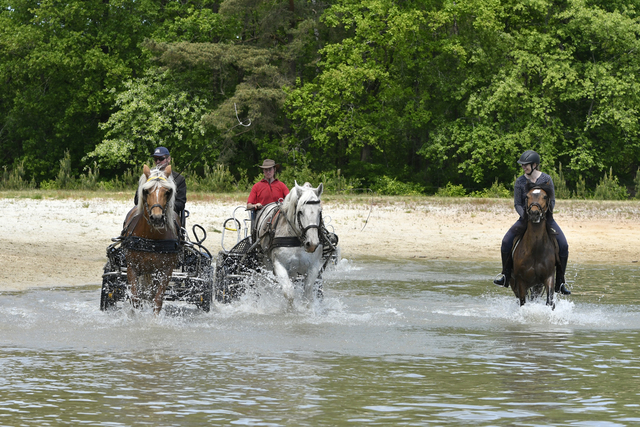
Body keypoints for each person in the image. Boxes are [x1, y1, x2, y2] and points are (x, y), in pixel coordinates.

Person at [493, 150, 571, 295]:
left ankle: (560, 282)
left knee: (564, 245)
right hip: (525, 219)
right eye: (522, 165)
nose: (523, 168)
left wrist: (544, 214)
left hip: (546, 219)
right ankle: (505, 274)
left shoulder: (546, 179)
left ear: (535, 165)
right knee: (506, 242)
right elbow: (517, 203)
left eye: (526, 165)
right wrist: (526, 215)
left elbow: (552, 200)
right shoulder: (520, 181)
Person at [134, 146, 187, 217]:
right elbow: (137, 200)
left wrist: (163, 206)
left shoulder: (179, 179)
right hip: (148, 214)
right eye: (155, 159)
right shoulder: (147, 176)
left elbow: (180, 204)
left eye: (161, 159)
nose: (158, 161)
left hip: (170, 215)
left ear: (168, 159)